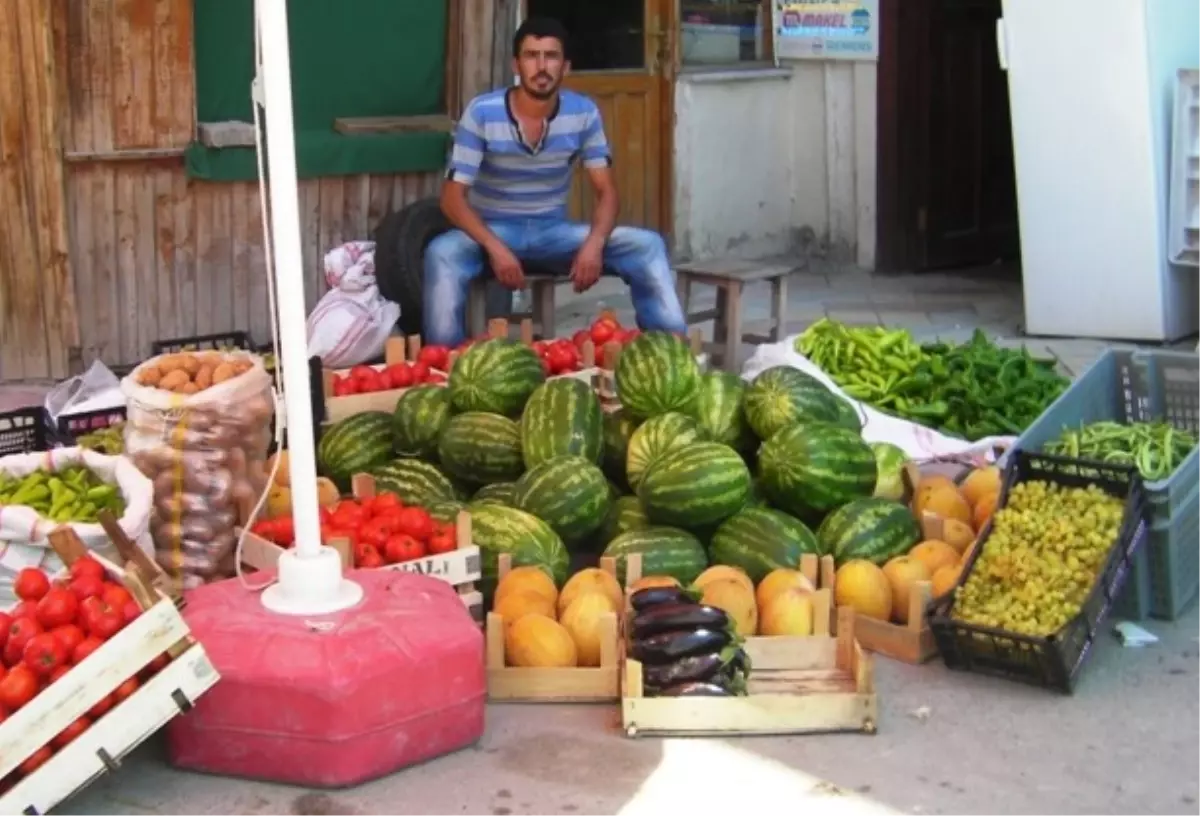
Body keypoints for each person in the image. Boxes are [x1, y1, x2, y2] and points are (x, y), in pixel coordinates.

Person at [423, 16, 688, 347]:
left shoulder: (583, 113)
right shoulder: (482, 112)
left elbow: (607, 193)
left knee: (647, 245)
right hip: (492, 232)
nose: (541, 66)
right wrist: (495, 248)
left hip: (553, 233)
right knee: (442, 252)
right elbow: (452, 198)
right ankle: (442, 363)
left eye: (551, 56)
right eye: (532, 55)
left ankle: (673, 354)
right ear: (516, 64)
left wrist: (594, 244)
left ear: (566, 66)